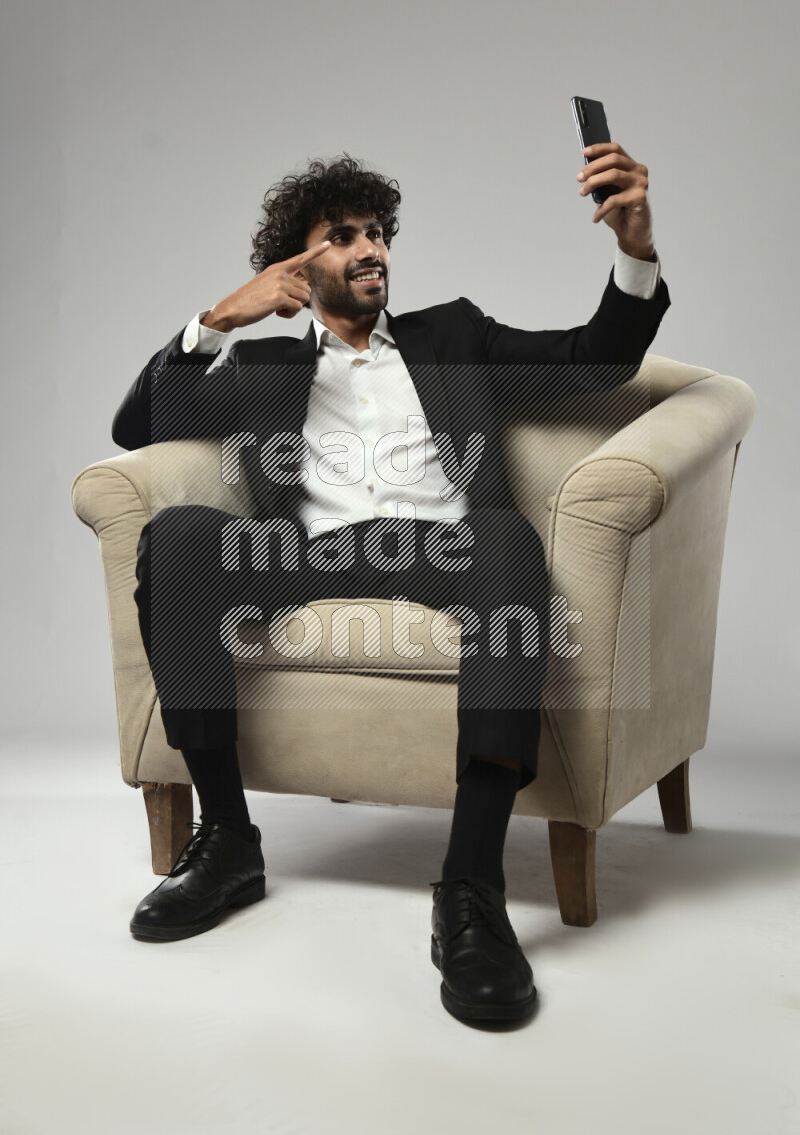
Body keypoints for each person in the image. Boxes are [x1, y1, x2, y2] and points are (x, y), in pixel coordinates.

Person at [112, 147, 670, 1025]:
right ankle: (226, 840)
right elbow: (138, 426)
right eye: (344, 236)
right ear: (297, 264)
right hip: (309, 552)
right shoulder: (264, 370)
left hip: (439, 546)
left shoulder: (455, 334)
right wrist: (217, 321)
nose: (371, 248)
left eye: (377, 233)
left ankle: (472, 888)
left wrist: (635, 250)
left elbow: (594, 362)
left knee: (507, 544)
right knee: (176, 539)